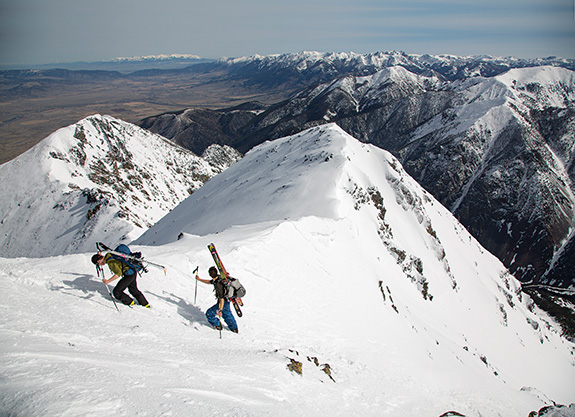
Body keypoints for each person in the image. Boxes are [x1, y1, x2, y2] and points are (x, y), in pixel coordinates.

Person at [196, 266, 238, 333]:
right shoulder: (218, 279)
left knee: (209, 314)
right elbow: (209, 282)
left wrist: (220, 310)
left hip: (223, 301)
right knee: (227, 313)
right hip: (226, 300)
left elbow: (221, 299)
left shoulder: (218, 285)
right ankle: (234, 328)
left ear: (210, 274)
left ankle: (218, 325)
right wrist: (199, 279)